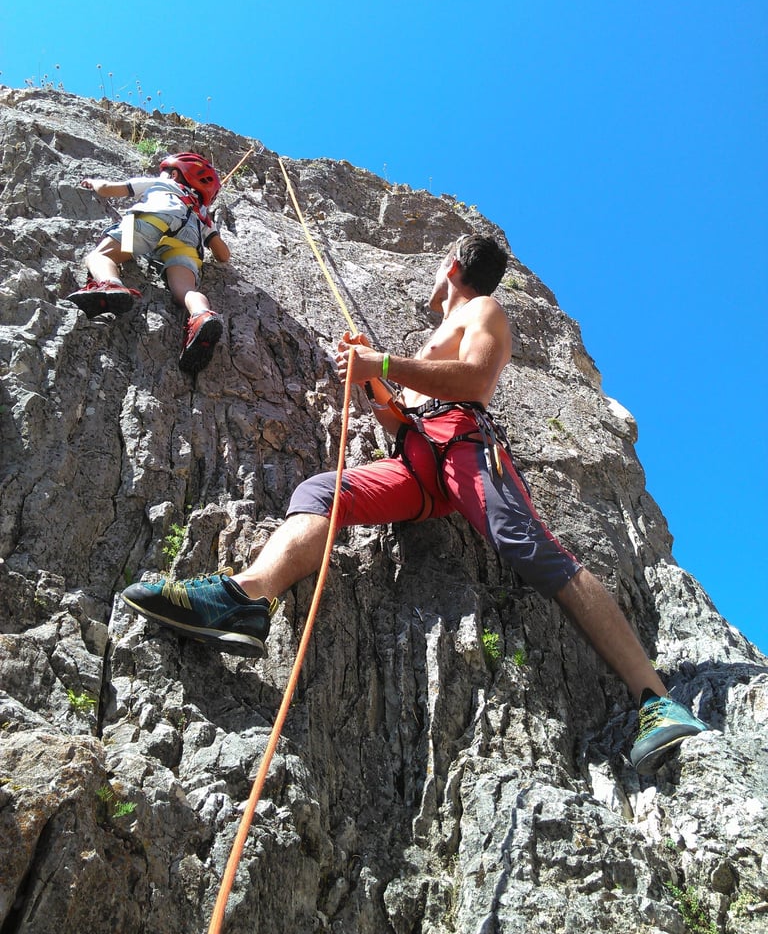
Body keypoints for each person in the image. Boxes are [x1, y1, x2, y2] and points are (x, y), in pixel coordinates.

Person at [122, 234, 708, 773]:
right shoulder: (436, 338)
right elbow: (402, 420)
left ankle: (655, 699)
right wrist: (374, 384)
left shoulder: (482, 311)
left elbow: (474, 381)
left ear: (452, 265)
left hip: (464, 447)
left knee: (522, 542)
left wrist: (381, 364)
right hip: (416, 462)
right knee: (320, 492)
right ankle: (247, 599)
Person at [67, 152, 230, 372]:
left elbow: (107, 188)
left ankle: (111, 283)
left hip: (153, 217)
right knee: (185, 290)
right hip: (189, 239)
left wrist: (93, 183)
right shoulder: (202, 214)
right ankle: (202, 315)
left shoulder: (160, 183)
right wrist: (208, 227)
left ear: (174, 174)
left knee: (100, 255)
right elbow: (223, 255)